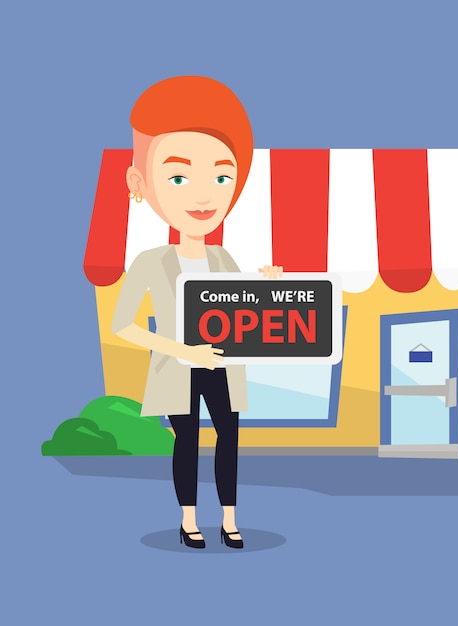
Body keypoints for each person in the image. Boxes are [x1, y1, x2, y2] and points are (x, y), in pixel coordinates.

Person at [111, 76, 282, 549]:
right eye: (180, 178)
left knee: (229, 437)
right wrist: (182, 350)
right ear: (140, 184)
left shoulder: (224, 259)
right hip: (177, 368)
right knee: (186, 443)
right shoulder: (151, 262)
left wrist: (264, 287)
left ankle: (229, 518)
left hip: (223, 367)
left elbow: (237, 308)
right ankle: (189, 520)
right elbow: (122, 324)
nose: (204, 196)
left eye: (222, 177)